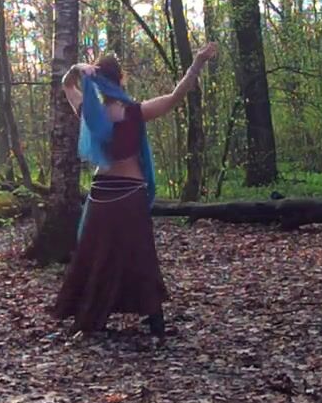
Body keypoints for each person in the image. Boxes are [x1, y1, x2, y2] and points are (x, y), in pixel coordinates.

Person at [52, 42, 218, 341]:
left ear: (98, 79)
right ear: (121, 79)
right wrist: (198, 62)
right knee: (140, 255)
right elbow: (175, 96)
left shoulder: (90, 113)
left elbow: (67, 84)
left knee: (96, 256)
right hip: (129, 194)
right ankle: (155, 322)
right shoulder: (135, 111)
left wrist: (78, 69)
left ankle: (92, 318)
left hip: (101, 194)